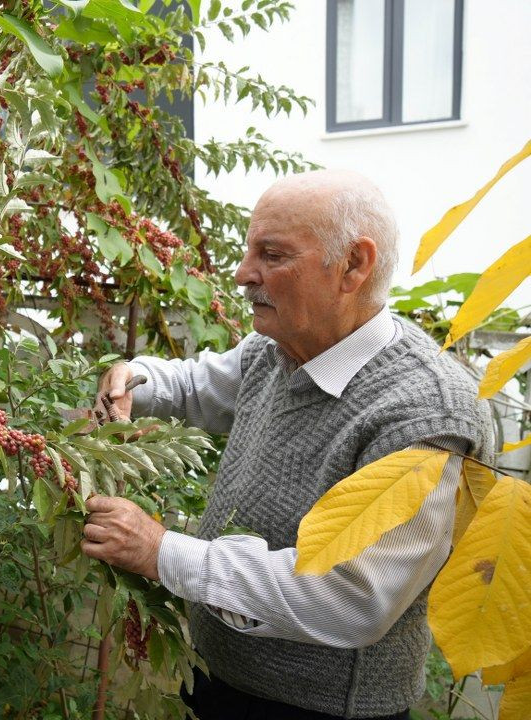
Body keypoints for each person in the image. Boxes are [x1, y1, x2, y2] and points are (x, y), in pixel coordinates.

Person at [80, 170, 494, 720]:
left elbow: (352, 598)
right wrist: (132, 377)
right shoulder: (279, 348)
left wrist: (162, 552)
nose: (243, 272)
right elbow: (198, 384)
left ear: (354, 265)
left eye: (271, 255)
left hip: (319, 708)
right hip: (218, 676)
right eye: (250, 250)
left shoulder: (426, 413)